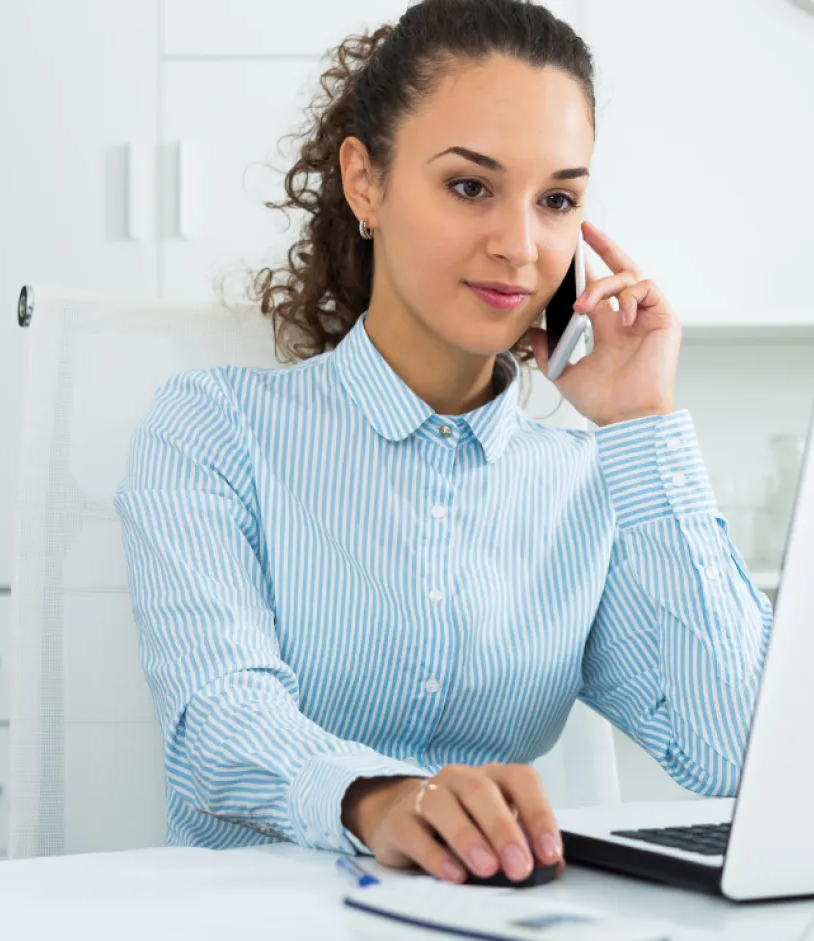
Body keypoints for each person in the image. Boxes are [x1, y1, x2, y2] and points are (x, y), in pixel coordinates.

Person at [112, 0, 772, 887]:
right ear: (365, 182)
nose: (520, 246)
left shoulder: (586, 472)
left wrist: (643, 427)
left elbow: (740, 751)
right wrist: (384, 799)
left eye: (557, 200)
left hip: (496, 916)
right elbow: (219, 723)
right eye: (470, 187)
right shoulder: (214, 430)